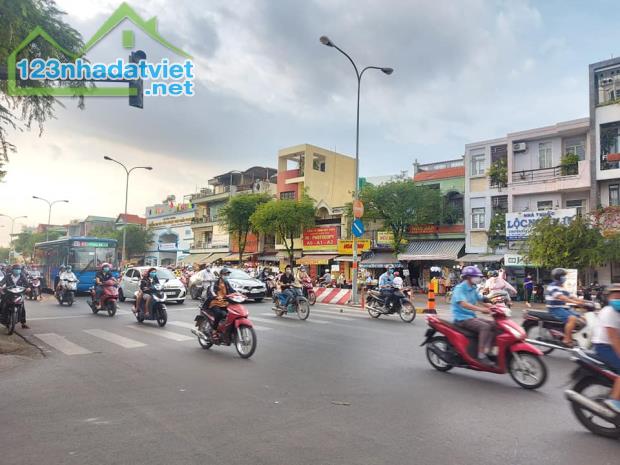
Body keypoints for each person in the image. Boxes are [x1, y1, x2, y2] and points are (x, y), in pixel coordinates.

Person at [451, 266, 495, 364]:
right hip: (461, 319)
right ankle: (481, 355)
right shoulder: (460, 288)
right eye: (476, 276)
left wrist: (493, 307)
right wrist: (481, 309)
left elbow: (480, 300)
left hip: (471, 317)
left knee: (494, 325)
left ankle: (488, 350)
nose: (478, 278)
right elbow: (464, 304)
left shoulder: (473, 288)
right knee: (485, 327)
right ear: (468, 277)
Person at [591, 284, 620, 413]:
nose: (618, 298)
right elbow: (613, 338)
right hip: (604, 346)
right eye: (615, 296)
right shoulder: (609, 312)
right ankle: (614, 400)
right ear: (609, 298)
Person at [544, 268, 586, 346]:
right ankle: (566, 339)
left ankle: (574, 336)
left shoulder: (561, 287)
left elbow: (571, 296)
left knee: (583, 318)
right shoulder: (552, 286)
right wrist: (575, 302)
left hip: (563, 308)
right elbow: (561, 297)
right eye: (563, 276)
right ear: (558, 277)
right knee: (572, 318)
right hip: (555, 309)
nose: (565, 278)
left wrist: (585, 302)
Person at [0, 264, 31, 329]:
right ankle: (3, 319)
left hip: (19, 293)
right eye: (16, 269)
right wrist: (0, 286)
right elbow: (2, 282)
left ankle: (23, 323)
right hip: (9, 293)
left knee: (22, 307)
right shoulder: (8, 276)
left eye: (18, 269)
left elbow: (27, 284)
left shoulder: (22, 276)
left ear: (20, 270)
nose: (17, 270)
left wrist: (28, 288)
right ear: (12, 270)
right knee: (3, 304)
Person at [208, 267, 234, 337]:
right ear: (221, 275)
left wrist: (240, 294)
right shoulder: (216, 282)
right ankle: (214, 330)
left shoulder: (226, 282)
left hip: (225, 303)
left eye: (227, 274)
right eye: (225, 274)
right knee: (219, 314)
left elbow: (232, 290)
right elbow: (211, 290)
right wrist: (216, 296)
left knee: (232, 314)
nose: (226, 276)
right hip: (216, 302)